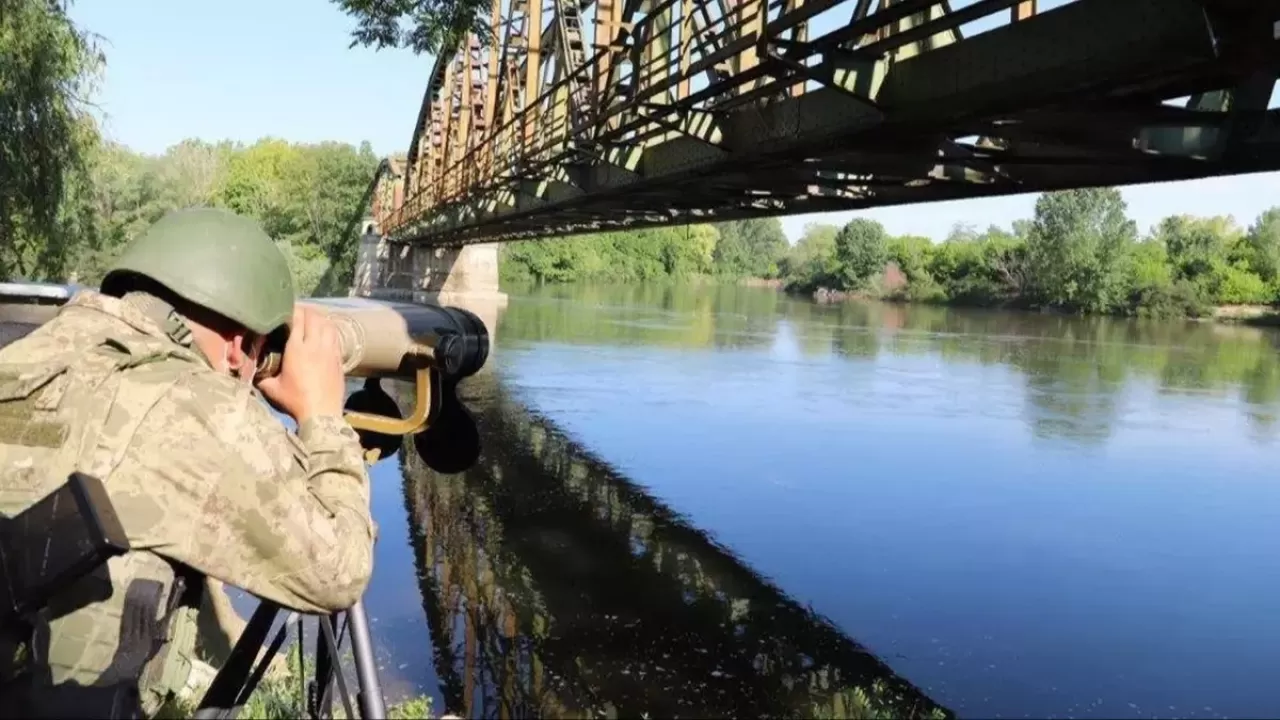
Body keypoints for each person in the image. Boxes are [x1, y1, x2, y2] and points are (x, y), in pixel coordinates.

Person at [0, 207, 377, 717]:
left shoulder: (32, 350)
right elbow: (339, 571)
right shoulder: (200, 410)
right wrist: (323, 416)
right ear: (240, 347)